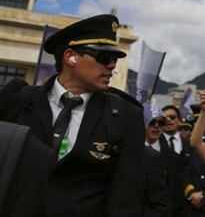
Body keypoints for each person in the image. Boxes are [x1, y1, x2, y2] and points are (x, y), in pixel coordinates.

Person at [0, 14, 144, 216]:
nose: (112, 65)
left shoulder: (125, 115)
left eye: (114, 59)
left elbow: (126, 199)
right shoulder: (16, 101)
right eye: (104, 58)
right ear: (70, 57)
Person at [161, 105, 191, 217]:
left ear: (179, 120)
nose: (168, 120)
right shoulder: (155, 143)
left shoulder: (190, 145)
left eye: (172, 117)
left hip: (183, 204)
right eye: (165, 118)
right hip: (160, 203)